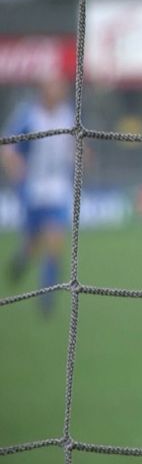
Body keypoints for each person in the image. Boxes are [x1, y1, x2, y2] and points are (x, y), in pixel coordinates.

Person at [3, 71, 75, 316]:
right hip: (33, 189)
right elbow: (8, 146)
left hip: (58, 188)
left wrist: (83, 154)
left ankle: (46, 298)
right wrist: (14, 166)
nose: (59, 91)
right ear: (44, 90)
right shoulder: (29, 115)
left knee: (54, 242)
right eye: (54, 86)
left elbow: (77, 144)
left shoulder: (68, 115)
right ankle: (21, 262)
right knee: (34, 244)